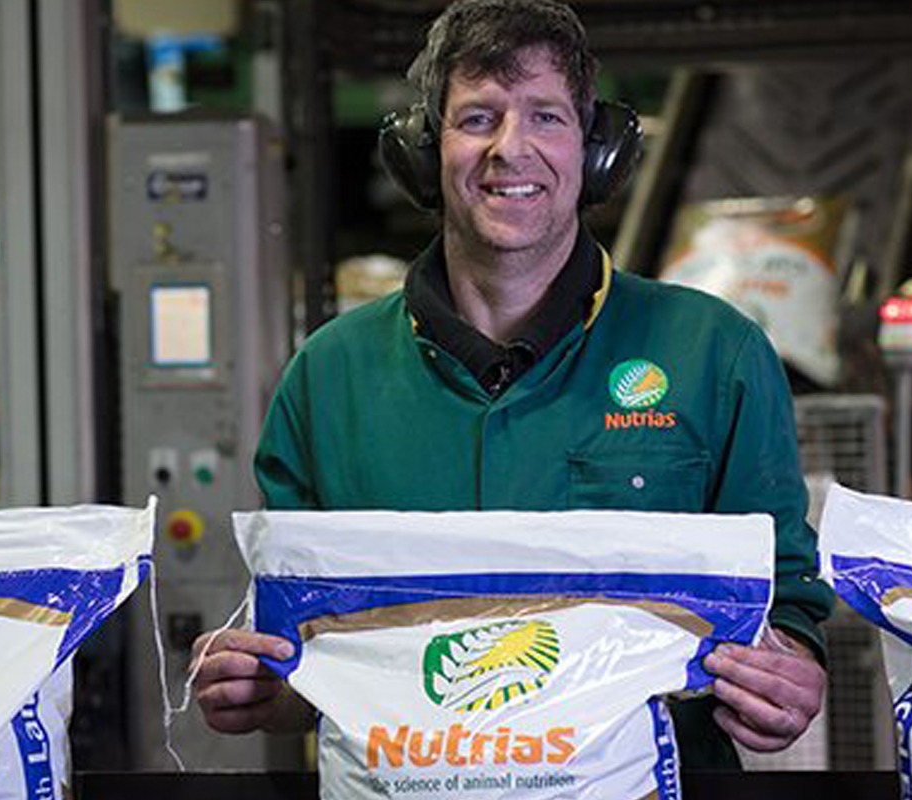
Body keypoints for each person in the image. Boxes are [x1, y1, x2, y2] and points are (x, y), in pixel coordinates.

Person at [191, 0, 834, 769]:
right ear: (423, 151)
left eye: (546, 117)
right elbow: (304, 646)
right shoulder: (329, 377)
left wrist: (791, 669)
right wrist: (264, 686)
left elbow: (783, 595)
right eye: (477, 118)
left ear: (597, 151)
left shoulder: (714, 354)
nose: (510, 149)